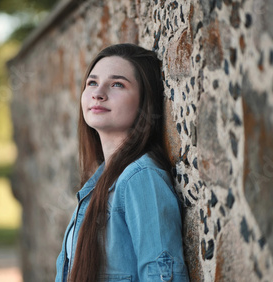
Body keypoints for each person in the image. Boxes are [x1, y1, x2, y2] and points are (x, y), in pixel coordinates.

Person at [55, 43, 189, 282]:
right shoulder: (99, 183)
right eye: (92, 83)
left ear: (144, 102)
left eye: (117, 84)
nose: (98, 93)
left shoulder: (141, 178)